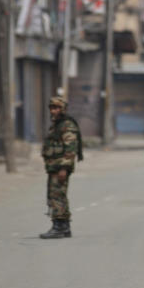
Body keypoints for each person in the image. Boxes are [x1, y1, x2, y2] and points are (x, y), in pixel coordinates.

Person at [40, 96, 82, 239]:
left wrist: (64, 168)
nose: (53, 111)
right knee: (57, 195)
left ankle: (58, 227)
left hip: (60, 167)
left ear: (62, 109)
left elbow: (71, 149)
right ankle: (64, 226)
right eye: (52, 108)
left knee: (57, 196)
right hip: (54, 166)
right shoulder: (57, 125)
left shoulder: (67, 125)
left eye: (57, 108)